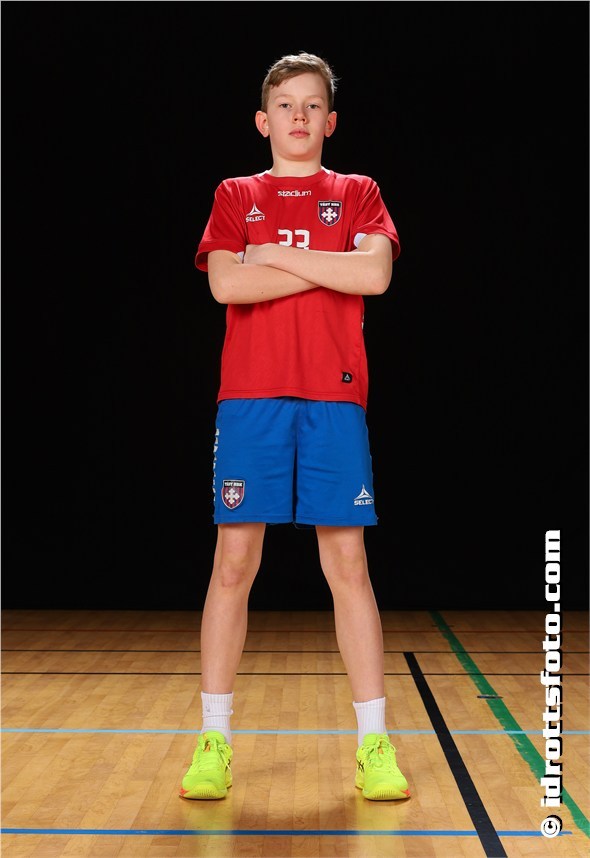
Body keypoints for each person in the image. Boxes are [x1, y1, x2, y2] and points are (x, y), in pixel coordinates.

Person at [179, 52, 410, 803]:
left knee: (348, 566)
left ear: (331, 120)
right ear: (263, 120)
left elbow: (374, 275)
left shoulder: (358, 192)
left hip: (334, 400)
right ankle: (213, 738)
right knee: (232, 564)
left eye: (313, 105)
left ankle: (374, 743)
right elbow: (226, 284)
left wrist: (275, 255)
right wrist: (323, 264)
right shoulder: (235, 193)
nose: (299, 116)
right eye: (286, 105)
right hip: (250, 400)